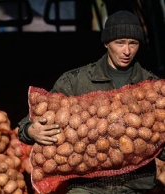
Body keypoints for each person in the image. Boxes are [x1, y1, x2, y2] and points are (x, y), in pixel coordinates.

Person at [18, 10, 165, 194]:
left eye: (133, 43)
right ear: (106, 43)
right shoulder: (76, 81)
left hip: (134, 186)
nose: (127, 51)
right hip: (87, 187)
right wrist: (30, 130)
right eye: (120, 43)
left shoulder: (152, 87)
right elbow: (31, 120)